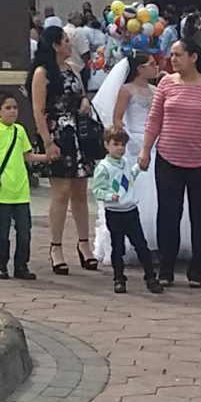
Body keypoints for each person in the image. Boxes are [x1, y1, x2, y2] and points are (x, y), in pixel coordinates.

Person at [139, 39, 201, 290]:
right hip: (168, 158)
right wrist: (145, 150)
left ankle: (199, 271)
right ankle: (166, 268)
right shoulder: (166, 83)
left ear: (193, 57)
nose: (174, 59)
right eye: (172, 55)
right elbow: (154, 119)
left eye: (179, 54)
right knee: (168, 214)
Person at [30, 22, 94, 273]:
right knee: (61, 191)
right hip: (58, 133)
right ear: (56, 45)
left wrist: (85, 102)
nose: (70, 44)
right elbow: (38, 109)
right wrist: (47, 141)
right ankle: (55, 247)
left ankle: (84, 244)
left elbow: (82, 94)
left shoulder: (73, 69)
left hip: (78, 133)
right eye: (66, 40)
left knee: (80, 190)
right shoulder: (42, 73)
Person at [0, 91, 44, 280]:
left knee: (24, 232)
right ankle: (1, 264)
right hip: (3, 192)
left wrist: (46, 157)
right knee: (3, 231)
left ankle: (21, 265)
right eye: (8, 108)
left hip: (21, 191)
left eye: (15, 108)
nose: (12, 112)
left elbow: (26, 155)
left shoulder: (20, 131)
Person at [89, 123, 157, 294]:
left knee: (141, 245)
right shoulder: (103, 168)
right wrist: (109, 197)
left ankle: (150, 277)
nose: (120, 149)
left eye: (122, 145)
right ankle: (119, 278)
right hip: (115, 213)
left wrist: (138, 169)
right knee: (117, 246)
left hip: (130, 210)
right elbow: (97, 190)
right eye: (115, 144)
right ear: (106, 145)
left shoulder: (125, 163)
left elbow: (128, 178)